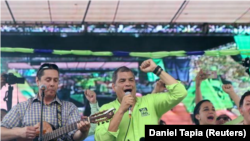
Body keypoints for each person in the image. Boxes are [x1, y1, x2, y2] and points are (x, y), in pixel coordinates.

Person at [95, 59, 187, 141]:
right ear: (114, 87)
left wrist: (156, 69)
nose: (128, 84)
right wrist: (121, 111)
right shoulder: (106, 109)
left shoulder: (150, 101)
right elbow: (102, 139)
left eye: (131, 80)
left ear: (135, 84)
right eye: (122, 81)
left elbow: (180, 92)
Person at [0, 63, 90, 141]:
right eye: (48, 80)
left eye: (55, 80)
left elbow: (75, 137)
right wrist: (19, 132)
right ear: (37, 81)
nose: (52, 84)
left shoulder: (70, 107)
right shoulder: (22, 107)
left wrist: (83, 131)